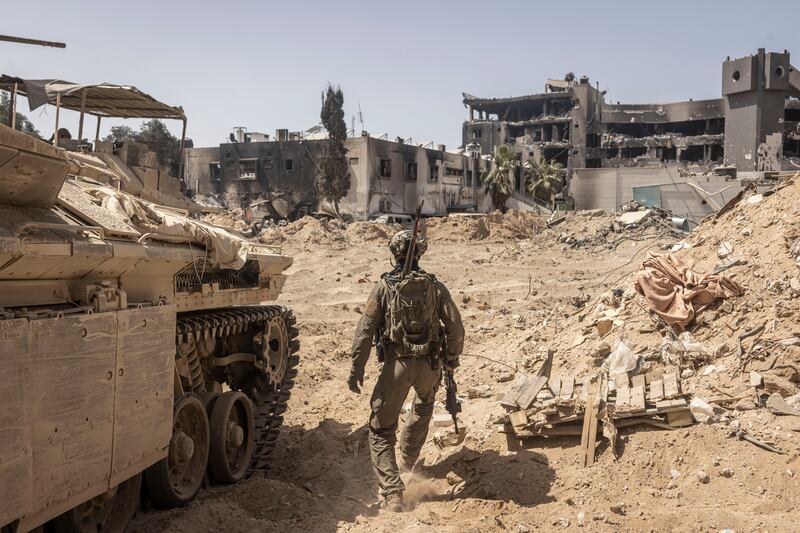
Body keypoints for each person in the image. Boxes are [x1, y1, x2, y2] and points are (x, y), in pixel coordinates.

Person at [348, 230, 464, 512]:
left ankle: (391, 493)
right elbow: (455, 326)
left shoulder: (383, 287)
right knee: (423, 406)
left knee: (380, 430)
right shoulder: (435, 287)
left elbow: (364, 332)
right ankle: (408, 463)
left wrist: (356, 370)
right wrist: (451, 358)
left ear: (393, 254)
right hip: (429, 367)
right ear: (420, 253)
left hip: (395, 367)